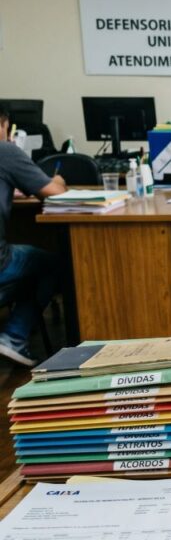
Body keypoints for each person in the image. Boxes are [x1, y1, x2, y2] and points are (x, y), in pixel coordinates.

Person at [0, 108, 66, 366]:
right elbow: (56, 195)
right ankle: (14, 336)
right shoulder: (5, 151)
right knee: (57, 263)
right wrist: (58, 179)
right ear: (5, 125)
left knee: (29, 264)